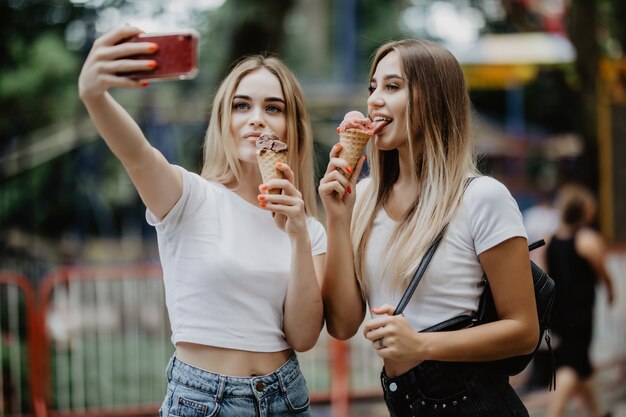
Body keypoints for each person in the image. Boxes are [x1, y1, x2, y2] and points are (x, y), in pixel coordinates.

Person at [78, 25, 326, 417]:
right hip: (203, 401)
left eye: (273, 108)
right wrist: (95, 96)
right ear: (223, 119)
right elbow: (137, 153)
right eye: (241, 106)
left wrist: (297, 237)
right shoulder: (188, 197)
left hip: (286, 399)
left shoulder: (308, 229)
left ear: (291, 126)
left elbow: (304, 336)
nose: (256, 119)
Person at [319, 38, 539, 416]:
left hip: (472, 402)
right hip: (404, 403)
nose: (373, 99)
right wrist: (337, 219)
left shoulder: (481, 198)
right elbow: (342, 324)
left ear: (433, 98)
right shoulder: (363, 197)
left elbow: (523, 331)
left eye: (392, 86)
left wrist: (421, 345)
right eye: (373, 87)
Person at [546, 184, 614, 417]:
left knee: (581, 364)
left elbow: (548, 276)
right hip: (580, 312)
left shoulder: (551, 240)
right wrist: (610, 290)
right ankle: (553, 414)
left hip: (559, 311)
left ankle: (596, 412)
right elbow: (602, 270)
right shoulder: (586, 240)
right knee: (571, 367)